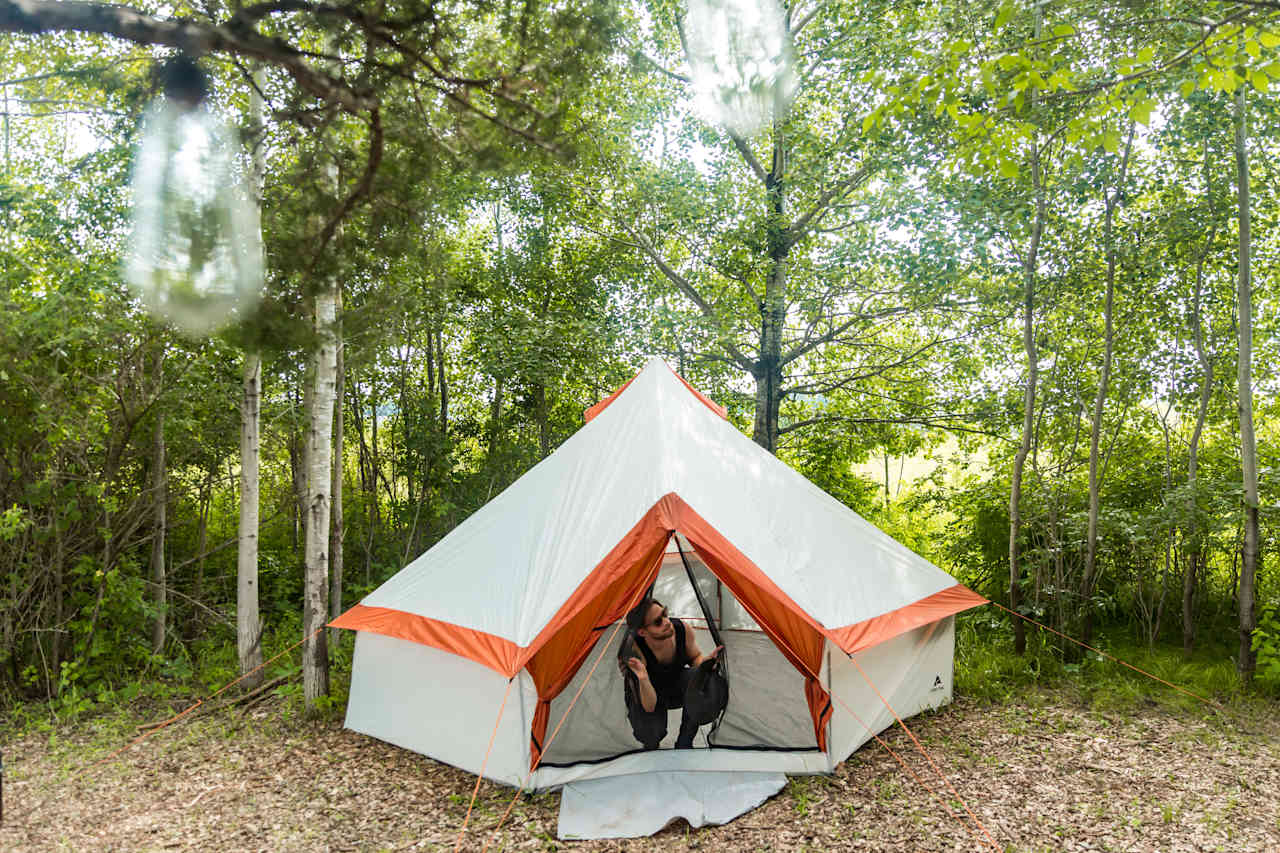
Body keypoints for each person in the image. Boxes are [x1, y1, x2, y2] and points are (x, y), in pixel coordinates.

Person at [619, 596, 724, 750]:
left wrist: (707, 663)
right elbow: (649, 706)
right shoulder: (634, 649)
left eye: (665, 614)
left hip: (675, 686)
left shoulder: (681, 629)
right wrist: (642, 678)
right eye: (658, 622)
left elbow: (695, 657)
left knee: (703, 678)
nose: (667, 622)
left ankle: (685, 742)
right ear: (642, 632)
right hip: (648, 692)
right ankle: (651, 746)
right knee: (650, 730)